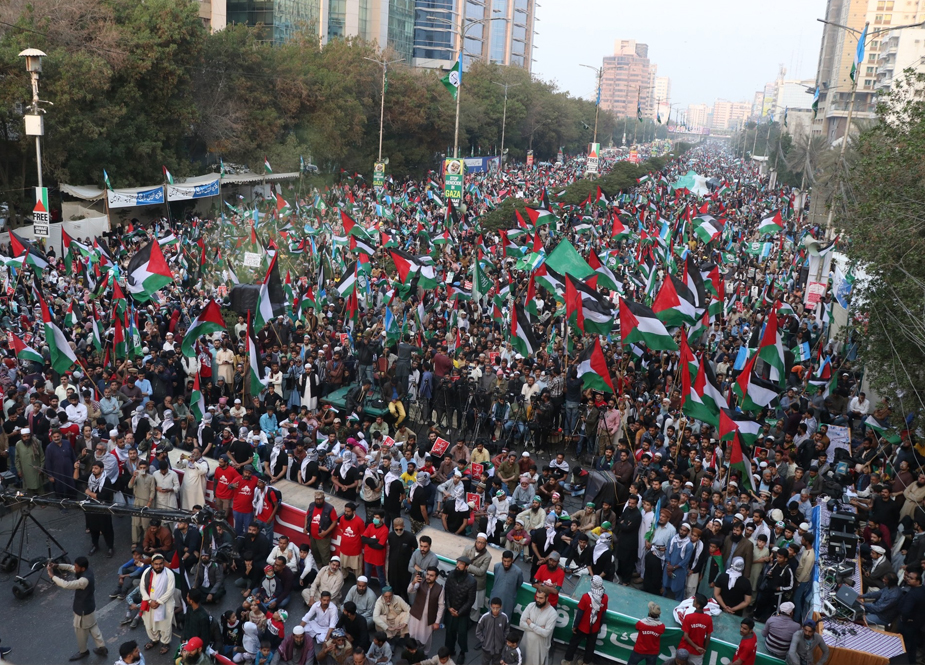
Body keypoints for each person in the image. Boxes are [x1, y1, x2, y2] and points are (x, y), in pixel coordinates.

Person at [47, 556, 109, 661]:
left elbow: (67, 585)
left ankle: (83, 651)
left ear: (82, 568)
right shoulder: (88, 570)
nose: (74, 568)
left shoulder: (83, 581)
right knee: (93, 627)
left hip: (82, 611)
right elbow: (71, 568)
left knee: (80, 631)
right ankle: (101, 647)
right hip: (90, 607)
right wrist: (58, 566)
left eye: (76, 566)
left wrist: (52, 576)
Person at [563, 575, 608, 665]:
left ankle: (568, 660)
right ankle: (586, 662)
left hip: (582, 627)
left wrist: (575, 626)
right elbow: (603, 614)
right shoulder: (605, 598)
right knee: (590, 646)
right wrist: (599, 626)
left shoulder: (586, 597)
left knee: (574, 643)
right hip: (594, 628)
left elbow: (579, 614)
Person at [139, 553, 176, 654]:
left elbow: (170, 590)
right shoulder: (147, 572)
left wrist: (159, 602)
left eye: (160, 564)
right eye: (156, 564)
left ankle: (165, 643)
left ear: (163, 563)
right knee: (149, 623)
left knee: (165, 625)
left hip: (165, 604)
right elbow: (142, 587)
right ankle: (154, 639)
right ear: (152, 564)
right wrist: (150, 601)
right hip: (149, 604)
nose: (158, 566)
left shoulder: (169, 574)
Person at [444, 555, 476, 662]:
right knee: (449, 632)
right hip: (450, 609)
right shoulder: (451, 575)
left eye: (461, 564)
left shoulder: (471, 581)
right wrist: (449, 607)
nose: (458, 565)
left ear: (466, 567)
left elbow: (470, 601)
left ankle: (462, 652)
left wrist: (459, 612)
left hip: (462, 613)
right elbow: (447, 592)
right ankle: (449, 650)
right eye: (457, 562)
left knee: (462, 634)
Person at [407, 566, 445, 652]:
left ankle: (424, 654)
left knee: (426, 638)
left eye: (431, 575)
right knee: (413, 635)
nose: (428, 577)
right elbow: (410, 590)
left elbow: (441, 606)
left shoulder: (440, 589)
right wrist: (413, 582)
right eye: (427, 574)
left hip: (428, 619)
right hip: (416, 615)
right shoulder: (420, 582)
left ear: (436, 577)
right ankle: (411, 651)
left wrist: (437, 622)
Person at [518, 590, 557, 665]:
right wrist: (539, 628)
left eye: (541, 598)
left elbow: (545, 633)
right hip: (525, 646)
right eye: (537, 597)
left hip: (539, 649)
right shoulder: (531, 606)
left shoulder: (553, 614)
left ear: (547, 598)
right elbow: (521, 623)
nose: (538, 600)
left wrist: (531, 624)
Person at [462, 532, 493, 621]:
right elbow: (461, 563)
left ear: (486, 544)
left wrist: (468, 566)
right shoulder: (468, 549)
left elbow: (481, 572)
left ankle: (473, 620)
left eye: (482, 543)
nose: (479, 545)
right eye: (478, 542)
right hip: (465, 579)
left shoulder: (488, 556)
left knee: (475, 606)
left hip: (477, 584)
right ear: (475, 541)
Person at [305, 490, 338, 568]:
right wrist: (305, 526)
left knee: (325, 556)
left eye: (320, 499)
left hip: (323, 538)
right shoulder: (311, 505)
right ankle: (318, 569)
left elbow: (334, 521)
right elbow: (307, 515)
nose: (318, 501)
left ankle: (326, 571)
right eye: (317, 499)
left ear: (324, 498)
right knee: (315, 554)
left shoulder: (330, 508)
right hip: (312, 536)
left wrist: (326, 532)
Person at [387, 518, 417, 601]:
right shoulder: (391, 535)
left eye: (401, 529)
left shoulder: (410, 536)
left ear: (404, 526)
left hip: (405, 566)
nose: (399, 531)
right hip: (393, 566)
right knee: (394, 585)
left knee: (405, 585)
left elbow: (415, 547)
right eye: (396, 529)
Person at [491, 551, 524, 624]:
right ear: (502, 559)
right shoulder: (497, 566)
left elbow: (519, 584)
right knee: (491, 618)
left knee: (505, 619)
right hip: (495, 596)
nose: (506, 564)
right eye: (504, 561)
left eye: (508, 561)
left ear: (512, 560)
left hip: (508, 600)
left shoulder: (518, 571)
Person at [680, 593, 713, 665]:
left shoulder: (688, 617)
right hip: (698, 652)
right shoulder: (708, 619)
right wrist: (703, 650)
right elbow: (708, 637)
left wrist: (696, 647)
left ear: (698, 606)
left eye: (694, 601)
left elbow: (686, 636)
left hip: (685, 649)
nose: (693, 601)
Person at [476, 597, 509, 665]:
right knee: (485, 662)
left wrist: (503, 640)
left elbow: (507, 629)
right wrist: (483, 640)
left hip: (499, 648)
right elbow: (478, 631)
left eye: (497, 608)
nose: (495, 610)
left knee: (496, 663)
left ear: (501, 607)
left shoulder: (504, 617)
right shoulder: (485, 617)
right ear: (490, 606)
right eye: (493, 608)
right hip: (487, 648)